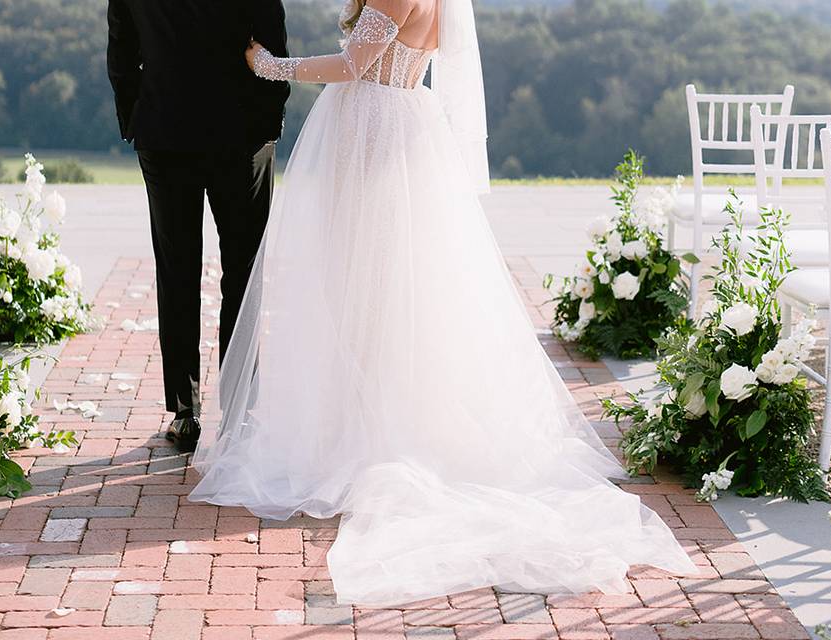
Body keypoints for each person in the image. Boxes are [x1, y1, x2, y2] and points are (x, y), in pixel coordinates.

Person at [190, 0, 697, 606]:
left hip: (377, 133)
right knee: (366, 286)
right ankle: (357, 417)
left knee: (371, 287)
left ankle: (371, 430)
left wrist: (271, 66)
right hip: (386, 128)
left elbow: (354, 64)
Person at [106, 0, 290, 452]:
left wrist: (134, 118)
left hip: (165, 129)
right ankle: (239, 407)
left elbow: (121, 52)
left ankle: (184, 412)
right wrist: (269, 118)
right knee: (244, 273)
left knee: (177, 269)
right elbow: (273, 41)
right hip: (242, 133)